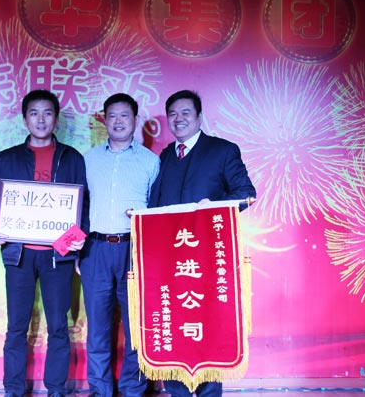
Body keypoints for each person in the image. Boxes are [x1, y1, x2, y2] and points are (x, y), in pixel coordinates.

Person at [0, 89, 89, 397]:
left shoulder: (72, 158)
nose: (41, 119)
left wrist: (75, 242)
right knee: (17, 327)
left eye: (47, 112)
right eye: (34, 113)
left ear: (56, 119)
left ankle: (56, 389)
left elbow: (86, 205)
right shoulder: (6, 159)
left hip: (58, 256)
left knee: (58, 327)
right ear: (25, 119)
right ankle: (13, 389)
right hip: (19, 256)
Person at [148, 89, 256, 397]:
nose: (178, 119)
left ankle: (209, 392)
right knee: (174, 326)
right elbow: (155, 206)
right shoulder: (166, 156)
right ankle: (178, 391)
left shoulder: (222, 150)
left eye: (185, 113)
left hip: (207, 258)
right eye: (173, 114)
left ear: (198, 117)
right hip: (170, 261)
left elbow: (246, 193)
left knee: (207, 328)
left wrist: (212, 208)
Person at [81, 93, 160, 397]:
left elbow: (157, 209)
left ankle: (132, 389)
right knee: (97, 329)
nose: (118, 121)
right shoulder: (88, 159)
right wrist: (78, 251)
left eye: (124, 115)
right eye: (112, 115)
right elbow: (79, 206)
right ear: (104, 119)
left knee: (136, 327)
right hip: (95, 249)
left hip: (134, 250)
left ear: (135, 120)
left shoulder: (150, 162)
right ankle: (100, 390)